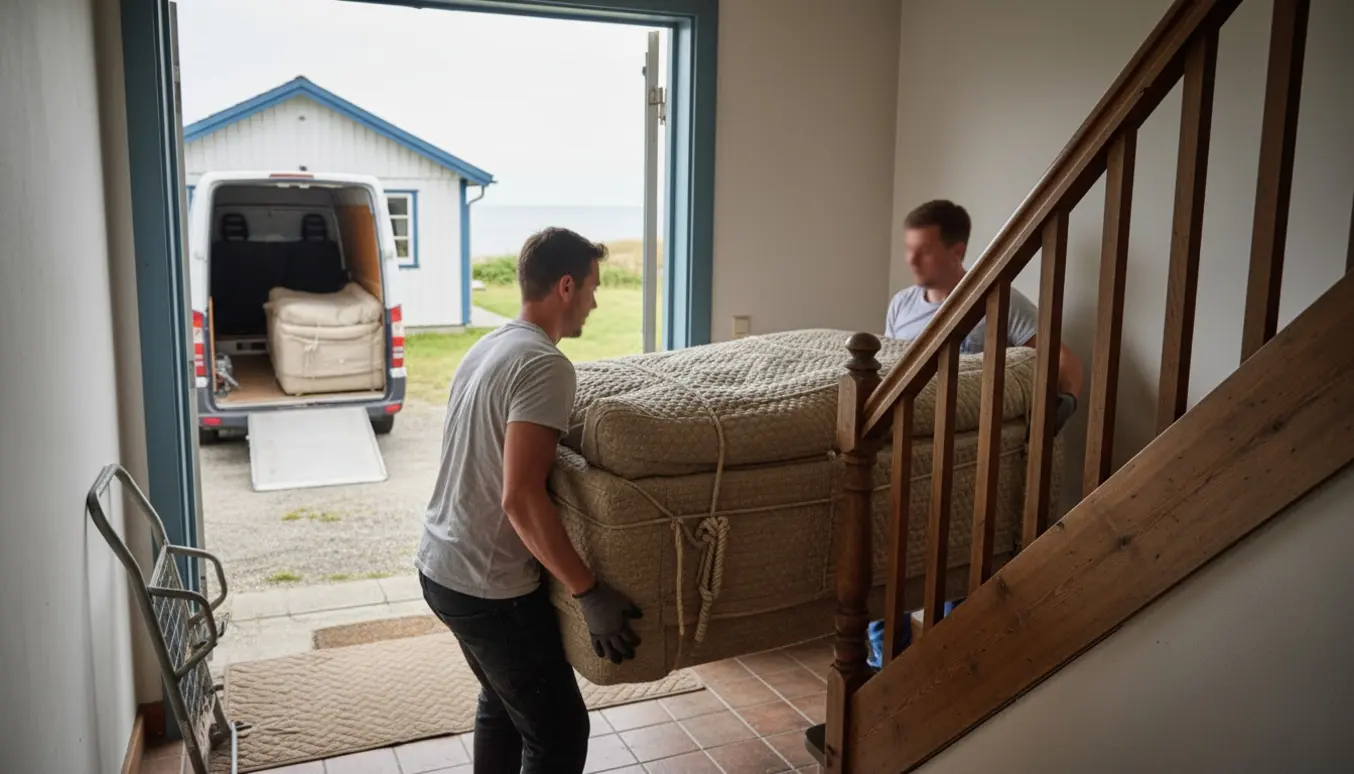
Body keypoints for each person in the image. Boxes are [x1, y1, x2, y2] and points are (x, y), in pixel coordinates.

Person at [417, 227, 643, 774]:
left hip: (440, 566)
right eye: (592, 287)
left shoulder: (490, 345)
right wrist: (588, 591)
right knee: (560, 733)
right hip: (486, 586)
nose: (594, 300)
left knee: (504, 704)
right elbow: (519, 497)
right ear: (566, 286)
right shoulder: (545, 365)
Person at [886, 199, 1084, 417]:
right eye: (909, 249)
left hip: (966, 419)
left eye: (924, 251)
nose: (912, 260)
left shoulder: (999, 300)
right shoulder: (900, 304)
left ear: (957, 252)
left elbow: (1062, 357)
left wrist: (1063, 403)